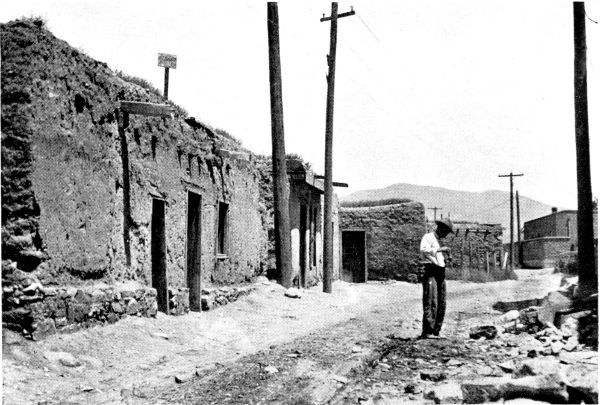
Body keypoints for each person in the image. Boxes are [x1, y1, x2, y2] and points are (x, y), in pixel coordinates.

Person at [419, 218, 454, 339]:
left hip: (440, 271)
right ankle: (428, 331)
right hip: (431, 270)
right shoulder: (428, 237)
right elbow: (423, 251)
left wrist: (447, 258)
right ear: (440, 228)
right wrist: (439, 249)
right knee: (431, 299)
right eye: (445, 231)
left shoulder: (440, 240)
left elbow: (440, 258)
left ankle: (436, 330)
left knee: (441, 300)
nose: (446, 234)